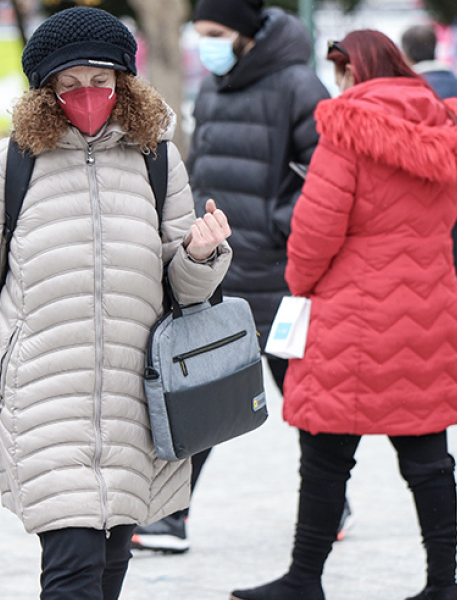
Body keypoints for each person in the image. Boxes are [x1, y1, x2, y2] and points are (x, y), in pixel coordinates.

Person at [0, 8, 233, 600]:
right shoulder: (6, 167)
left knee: (109, 567)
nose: (88, 96)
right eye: (70, 84)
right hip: (43, 396)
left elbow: (186, 292)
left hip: (137, 398)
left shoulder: (158, 160)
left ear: (125, 85)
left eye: (101, 82)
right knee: (73, 566)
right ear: (46, 91)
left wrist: (202, 255)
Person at [229, 30, 457, 600]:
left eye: (341, 72)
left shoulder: (346, 130)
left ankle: (304, 578)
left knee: (324, 453)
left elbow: (315, 233)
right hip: (431, 307)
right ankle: (444, 583)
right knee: (428, 455)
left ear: (352, 72)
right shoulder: (447, 128)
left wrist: (299, 286)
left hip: (352, 317)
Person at [129, 0, 331, 555]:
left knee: (305, 402)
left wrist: (274, 226)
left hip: (278, 274)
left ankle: (332, 501)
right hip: (216, 267)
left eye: (216, 33)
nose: (207, 44)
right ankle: (171, 517)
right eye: (202, 33)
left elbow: (329, 173)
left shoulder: (298, 84)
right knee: (203, 391)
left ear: (245, 33)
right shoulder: (215, 88)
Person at [401, 24, 457, 315]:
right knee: (454, 256)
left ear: (406, 53)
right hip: (455, 189)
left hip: (420, 194)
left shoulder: (411, 89)